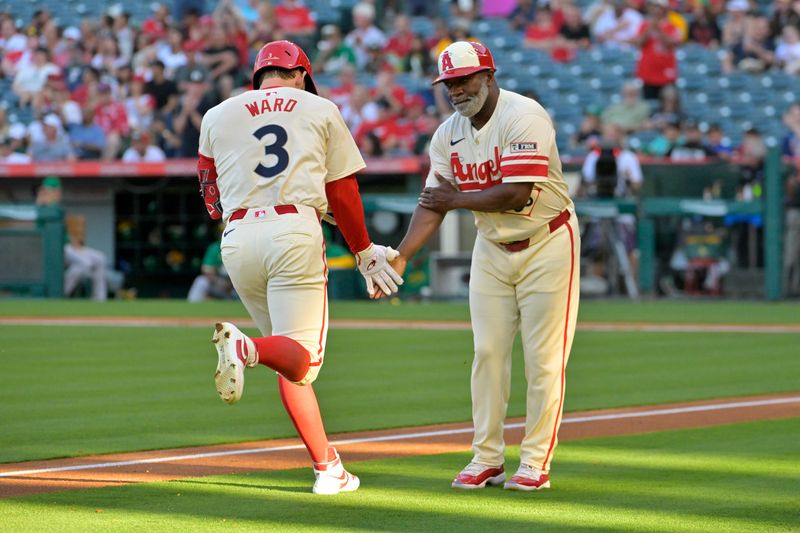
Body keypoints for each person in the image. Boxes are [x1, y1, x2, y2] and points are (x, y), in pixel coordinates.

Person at [196, 40, 403, 495]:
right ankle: (246, 349)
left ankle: (328, 468)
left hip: (237, 238)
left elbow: (211, 199)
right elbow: (343, 190)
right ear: (302, 74)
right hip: (293, 233)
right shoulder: (318, 107)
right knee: (301, 357)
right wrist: (365, 250)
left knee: (289, 360)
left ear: (257, 77)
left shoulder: (216, 114)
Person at [388, 41, 580, 491]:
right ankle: (487, 457)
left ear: (488, 76)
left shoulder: (523, 115)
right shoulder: (446, 134)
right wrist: (401, 255)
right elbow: (431, 203)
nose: (456, 90)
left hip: (547, 240)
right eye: (448, 83)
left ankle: (534, 462)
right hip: (492, 246)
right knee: (488, 353)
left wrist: (455, 199)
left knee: (544, 360)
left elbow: (516, 193)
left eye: (465, 79)